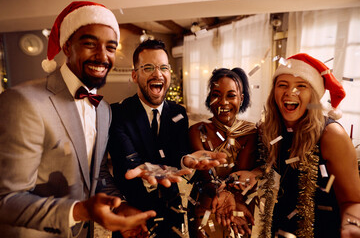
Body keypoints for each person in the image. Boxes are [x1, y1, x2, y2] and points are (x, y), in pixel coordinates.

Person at [0, 1, 157, 238]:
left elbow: (98, 174)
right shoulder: (24, 101)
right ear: (67, 46)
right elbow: (6, 200)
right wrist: (80, 210)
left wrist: (121, 207)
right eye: (90, 44)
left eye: (111, 48)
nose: (102, 56)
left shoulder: (103, 110)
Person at [108, 39, 227, 238]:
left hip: (172, 213)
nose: (158, 73)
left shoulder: (178, 112)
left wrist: (185, 160)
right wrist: (149, 171)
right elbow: (129, 161)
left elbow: (176, 153)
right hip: (133, 214)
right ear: (135, 75)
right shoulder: (117, 113)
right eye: (148, 68)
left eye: (164, 67)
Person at [257, 53, 360, 238]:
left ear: (313, 95)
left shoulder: (331, 135)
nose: (291, 93)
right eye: (283, 85)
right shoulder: (271, 130)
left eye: (301, 86)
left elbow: (353, 200)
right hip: (283, 228)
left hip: (323, 231)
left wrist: (351, 227)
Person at [186, 68, 259, 237]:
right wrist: (223, 194)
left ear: (241, 98)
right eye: (216, 95)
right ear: (209, 99)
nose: (223, 102)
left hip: (241, 205)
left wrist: (237, 202)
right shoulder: (197, 130)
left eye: (231, 95)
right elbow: (207, 175)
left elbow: (243, 175)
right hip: (207, 205)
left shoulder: (251, 132)